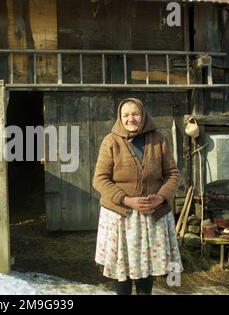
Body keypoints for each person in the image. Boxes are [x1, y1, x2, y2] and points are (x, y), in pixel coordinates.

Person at [93, 98, 183, 295]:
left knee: (147, 267)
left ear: (143, 116)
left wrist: (161, 197)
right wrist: (127, 200)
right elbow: (99, 179)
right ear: (120, 117)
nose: (130, 119)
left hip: (152, 214)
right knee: (122, 268)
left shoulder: (158, 139)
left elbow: (173, 174)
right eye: (126, 115)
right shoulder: (111, 141)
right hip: (122, 216)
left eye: (135, 114)